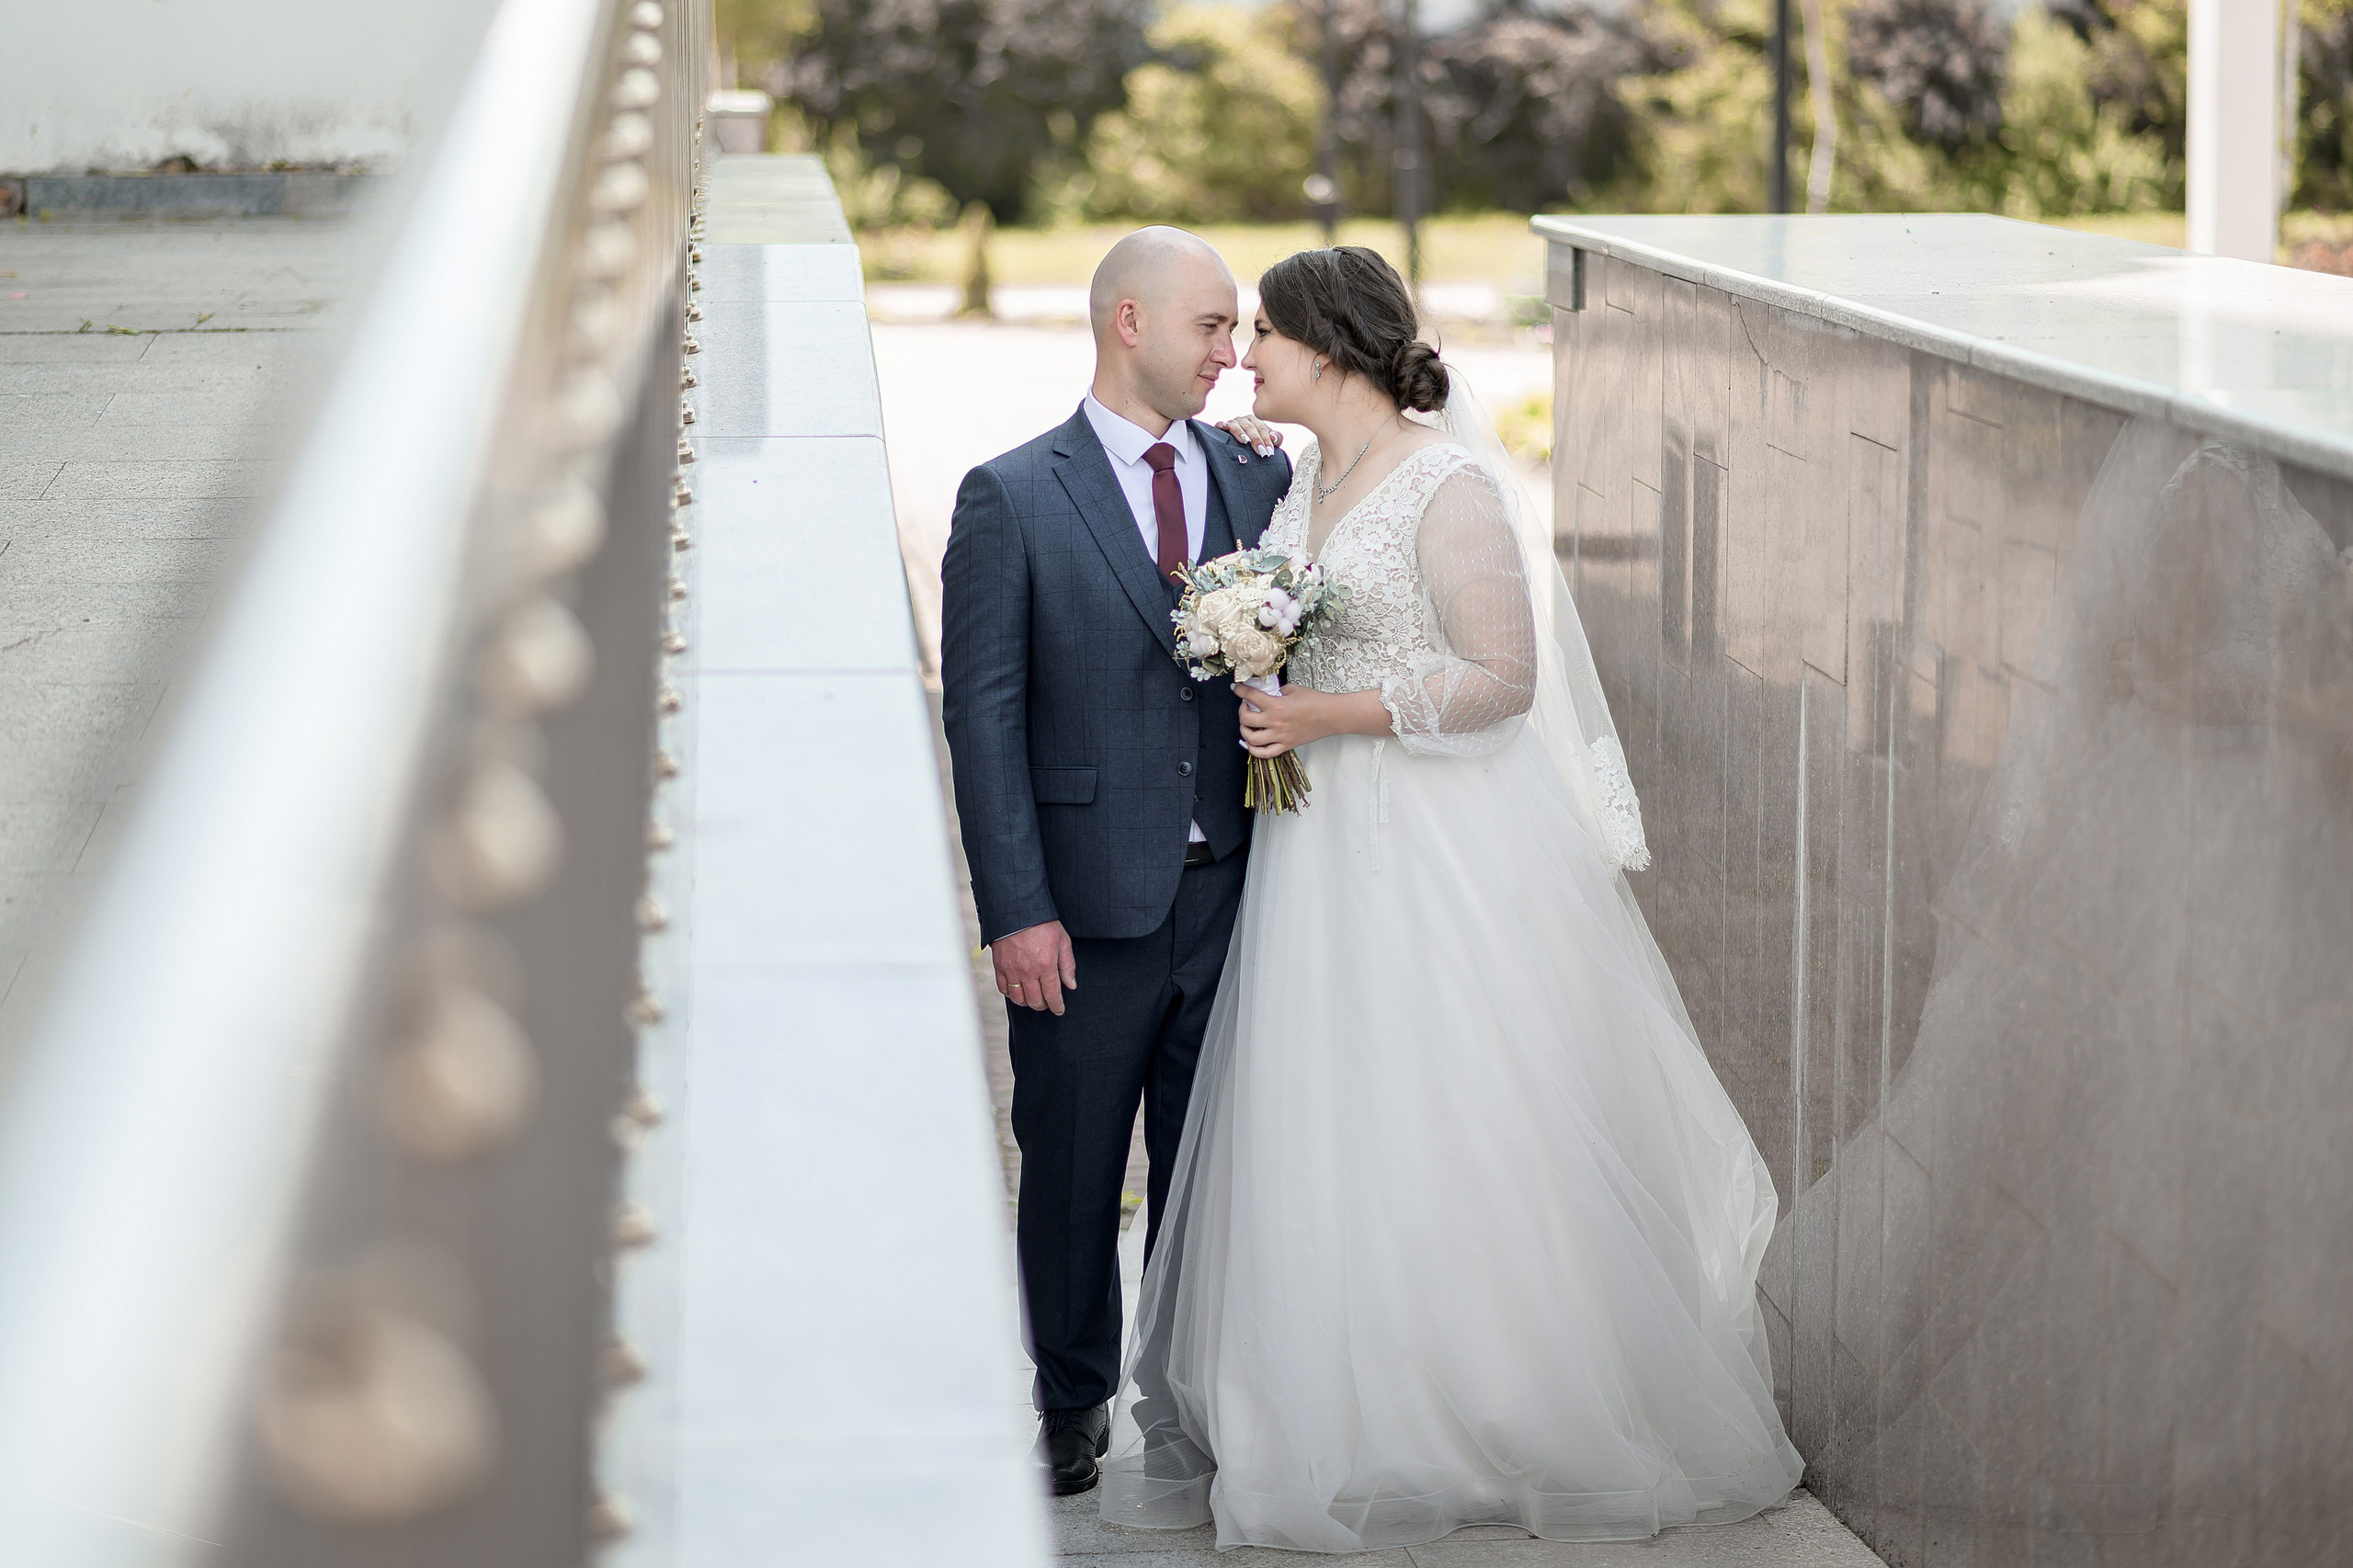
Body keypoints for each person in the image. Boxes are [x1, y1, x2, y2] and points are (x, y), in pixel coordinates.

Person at [1097, 245, 1805, 1551]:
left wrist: (1327, 708)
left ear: (1330, 342)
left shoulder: (1450, 483)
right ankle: (1328, 1397)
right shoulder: (1304, 473)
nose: (1247, 355)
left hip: (1431, 840)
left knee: (1448, 1097)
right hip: (1314, 856)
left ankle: (1483, 1395)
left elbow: (1503, 677)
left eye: (1265, 334)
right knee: (1327, 1107)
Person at [938, 227, 1293, 1497]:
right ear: (1128, 321)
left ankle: (1193, 1390)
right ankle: (1073, 1397)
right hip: (1081, 913)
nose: (1230, 355)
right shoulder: (1011, 495)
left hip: (1240, 891)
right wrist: (1014, 909)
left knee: (1213, 1167)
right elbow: (981, 716)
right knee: (1077, 1167)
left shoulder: (1261, 481)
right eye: (1211, 327)